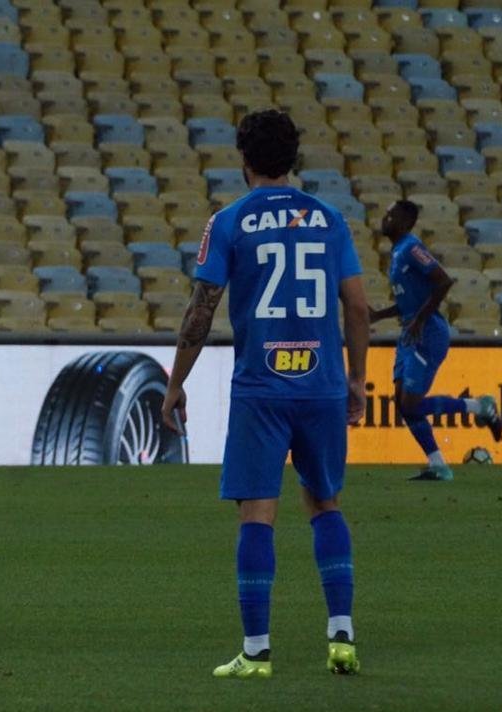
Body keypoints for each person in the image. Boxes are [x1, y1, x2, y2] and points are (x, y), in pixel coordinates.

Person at [162, 109, 369, 679]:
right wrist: (357, 379)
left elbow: (200, 310)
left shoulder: (227, 222)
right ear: (294, 158)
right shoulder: (330, 220)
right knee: (325, 503)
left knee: (258, 513)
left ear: (244, 158)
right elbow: (356, 306)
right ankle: (342, 637)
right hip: (323, 385)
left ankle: (256, 652)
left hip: (261, 388)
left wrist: (176, 383)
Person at [370, 200, 502, 481]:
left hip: (427, 333)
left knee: (411, 404)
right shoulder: (397, 253)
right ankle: (438, 465)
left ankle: (480, 407)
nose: (386, 218)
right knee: (402, 402)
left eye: (391, 215)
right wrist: (379, 315)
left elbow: (443, 281)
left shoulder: (411, 248)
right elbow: (409, 302)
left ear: (405, 222)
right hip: (409, 333)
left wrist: (420, 319)